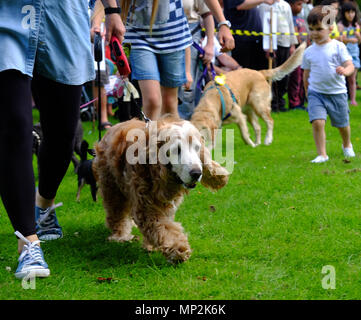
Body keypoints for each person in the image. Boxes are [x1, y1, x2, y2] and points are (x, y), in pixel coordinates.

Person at [0, 0, 124, 279]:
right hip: (8, 13)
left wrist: (113, 11)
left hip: (64, 16)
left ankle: (43, 206)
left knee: (63, 135)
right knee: (15, 125)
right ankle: (29, 242)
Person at [113, 0, 234, 120]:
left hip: (173, 36)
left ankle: (171, 138)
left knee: (170, 103)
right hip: (139, 37)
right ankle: (151, 138)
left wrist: (223, 24)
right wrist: (101, 20)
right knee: (152, 100)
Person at [301, 5, 356, 163]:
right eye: (311, 29)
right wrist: (307, 92)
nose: (314, 33)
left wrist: (345, 71)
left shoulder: (338, 47)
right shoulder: (309, 52)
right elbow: (306, 74)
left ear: (330, 28)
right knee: (317, 122)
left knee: (342, 124)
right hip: (316, 93)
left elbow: (350, 65)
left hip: (337, 93)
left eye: (319, 29)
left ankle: (347, 144)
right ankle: (322, 154)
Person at [178, 0, 216, 120]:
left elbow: (207, 14)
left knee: (188, 87)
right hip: (162, 35)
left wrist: (210, 44)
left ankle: (187, 124)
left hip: (191, 34)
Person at [259, 0, 298, 112]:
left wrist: (292, 44)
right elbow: (263, 26)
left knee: (284, 74)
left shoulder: (285, 5)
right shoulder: (264, 5)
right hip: (273, 45)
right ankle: (272, 102)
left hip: (285, 43)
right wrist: (268, 46)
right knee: (273, 74)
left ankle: (281, 101)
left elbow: (290, 24)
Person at [224, 0, 276, 71]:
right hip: (242, 40)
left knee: (258, 74)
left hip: (255, 40)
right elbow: (240, 5)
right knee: (244, 74)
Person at [287, 0, 309, 110]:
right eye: (298, 4)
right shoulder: (292, 19)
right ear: (291, 5)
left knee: (303, 77)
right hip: (297, 52)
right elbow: (296, 36)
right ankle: (294, 102)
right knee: (296, 78)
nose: (301, 7)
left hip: (305, 52)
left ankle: (301, 101)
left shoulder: (301, 18)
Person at [337, 1, 361, 105]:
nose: (351, 15)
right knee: (341, 78)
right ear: (344, 13)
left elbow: (359, 41)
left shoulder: (356, 25)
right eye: (348, 12)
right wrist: (351, 40)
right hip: (343, 55)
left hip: (354, 54)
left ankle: (353, 100)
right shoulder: (340, 25)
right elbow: (340, 40)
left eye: (353, 12)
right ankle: (341, 98)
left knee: (352, 79)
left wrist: (358, 35)